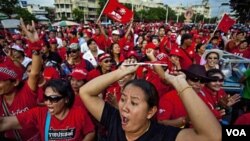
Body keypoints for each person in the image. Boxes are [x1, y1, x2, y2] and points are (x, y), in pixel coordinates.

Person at [80, 59, 221, 141]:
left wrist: (180, 83)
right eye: (123, 99)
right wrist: (121, 72)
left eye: (134, 102)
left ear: (151, 111)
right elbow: (86, 92)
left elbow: (212, 136)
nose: (124, 107)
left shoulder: (163, 135)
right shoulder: (114, 120)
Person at [0, 79, 95, 141]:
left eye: (54, 98)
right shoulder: (39, 113)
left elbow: (90, 132)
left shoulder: (79, 112)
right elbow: (4, 123)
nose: (48, 102)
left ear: (66, 99)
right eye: (46, 98)